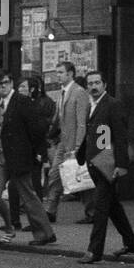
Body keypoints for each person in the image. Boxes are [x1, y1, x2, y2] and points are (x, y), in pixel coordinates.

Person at [0, 70, 56, 248]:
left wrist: (38, 154)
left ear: (11, 83)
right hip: (1, 156)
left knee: (28, 195)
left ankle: (45, 233)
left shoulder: (22, 102)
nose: (3, 86)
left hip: (18, 157)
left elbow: (38, 129)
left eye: (6, 82)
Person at [76, 69, 134, 263]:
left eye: (97, 83)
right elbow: (92, 134)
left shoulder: (113, 104)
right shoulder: (91, 104)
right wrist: (80, 155)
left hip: (108, 164)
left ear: (105, 85)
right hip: (95, 163)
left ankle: (94, 251)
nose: (94, 86)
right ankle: (131, 243)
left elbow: (120, 136)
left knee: (100, 207)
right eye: (90, 83)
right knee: (113, 207)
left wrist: (122, 164)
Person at [45, 61, 93, 225]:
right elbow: (58, 119)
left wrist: (78, 146)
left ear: (70, 74)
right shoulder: (62, 93)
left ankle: (91, 212)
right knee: (55, 175)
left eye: (60, 72)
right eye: (57, 72)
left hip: (74, 143)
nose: (58, 75)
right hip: (63, 142)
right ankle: (50, 211)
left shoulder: (79, 93)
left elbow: (81, 122)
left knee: (79, 177)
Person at [9, 73, 54, 228]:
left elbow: (40, 131)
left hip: (34, 153)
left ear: (32, 89)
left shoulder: (37, 105)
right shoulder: (15, 104)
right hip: (20, 153)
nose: (19, 89)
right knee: (14, 186)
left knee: (34, 188)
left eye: (23, 87)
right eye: (19, 86)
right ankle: (14, 220)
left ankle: (38, 223)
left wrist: (41, 154)